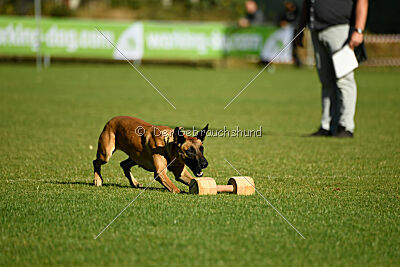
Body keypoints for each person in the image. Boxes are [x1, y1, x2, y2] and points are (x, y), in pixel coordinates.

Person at [296, 0, 368, 138]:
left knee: (344, 79)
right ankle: (327, 125)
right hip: (316, 30)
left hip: (340, 29)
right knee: (326, 81)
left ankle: (346, 126)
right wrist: (300, 27)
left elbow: (362, 1)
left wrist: (359, 30)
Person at [279, 1, 301, 66]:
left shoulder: (297, 11)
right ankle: (289, 59)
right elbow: (281, 20)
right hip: (287, 33)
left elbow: (298, 20)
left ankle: (297, 61)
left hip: (295, 31)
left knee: (295, 47)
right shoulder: (285, 12)